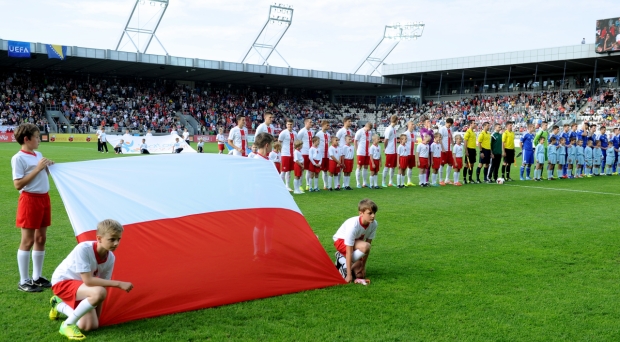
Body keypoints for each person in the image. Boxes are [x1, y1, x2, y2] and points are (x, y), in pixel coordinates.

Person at [49, 219, 133, 341]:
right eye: (112, 239)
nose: (116, 243)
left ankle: (58, 305)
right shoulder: (83, 248)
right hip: (62, 283)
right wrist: (119, 284)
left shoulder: (110, 258)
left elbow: (103, 286)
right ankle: (67, 325)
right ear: (99, 238)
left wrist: (97, 316)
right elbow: (88, 281)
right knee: (98, 292)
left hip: (82, 288)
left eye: (118, 239)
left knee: (90, 326)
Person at [12, 123, 54, 293]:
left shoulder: (38, 154)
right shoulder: (18, 158)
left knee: (41, 239)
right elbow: (18, 184)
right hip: (30, 200)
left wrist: (47, 168)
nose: (39, 140)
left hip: (44, 198)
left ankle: (37, 277)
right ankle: (24, 280)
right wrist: (38, 168)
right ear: (26, 139)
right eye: (36, 137)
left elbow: (43, 175)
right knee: (28, 240)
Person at [333, 199, 378, 283]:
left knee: (360, 275)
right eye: (370, 213)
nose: (373, 216)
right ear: (361, 213)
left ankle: (344, 263)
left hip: (356, 244)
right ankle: (341, 259)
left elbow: (366, 251)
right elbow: (349, 250)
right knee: (365, 246)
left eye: (374, 213)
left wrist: (362, 267)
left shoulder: (373, 224)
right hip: (341, 241)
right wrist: (349, 275)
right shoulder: (353, 225)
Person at [278, 119, 297, 191]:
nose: (289, 126)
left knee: (289, 171)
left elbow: (296, 143)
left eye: (291, 124)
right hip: (285, 154)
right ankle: (280, 186)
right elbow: (279, 142)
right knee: (283, 171)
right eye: (288, 124)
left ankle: (287, 186)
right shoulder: (283, 133)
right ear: (286, 125)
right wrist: (280, 152)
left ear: (293, 125)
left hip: (292, 154)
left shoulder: (295, 133)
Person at [297, 118, 314, 191]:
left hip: (311, 153)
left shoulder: (312, 131)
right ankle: (300, 185)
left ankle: (308, 185)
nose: (311, 123)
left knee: (309, 169)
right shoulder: (301, 131)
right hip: (304, 152)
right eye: (310, 122)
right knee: (302, 169)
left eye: (311, 122)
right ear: (306, 123)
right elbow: (298, 141)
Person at [336, 117, 354, 188]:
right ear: (345, 122)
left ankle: (345, 184)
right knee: (339, 169)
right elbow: (336, 140)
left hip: (347, 153)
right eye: (349, 121)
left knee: (346, 170)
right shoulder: (340, 131)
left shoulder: (350, 131)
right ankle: (337, 184)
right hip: (341, 152)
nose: (350, 122)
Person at [354, 122, 372, 188]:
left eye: (369, 130)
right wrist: (357, 150)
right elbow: (355, 141)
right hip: (361, 152)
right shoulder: (359, 132)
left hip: (367, 152)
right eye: (368, 129)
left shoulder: (370, 133)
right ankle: (358, 183)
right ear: (366, 126)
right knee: (359, 166)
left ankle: (364, 182)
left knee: (366, 167)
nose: (368, 131)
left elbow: (369, 142)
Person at [382, 115, 398, 187]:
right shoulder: (389, 129)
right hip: (390, 151)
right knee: (387, 167)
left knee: (393, 167)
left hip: (394, 151)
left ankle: (390, 182)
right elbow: (386, 140)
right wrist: (385, 148)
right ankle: (383, 182)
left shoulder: (393, 129)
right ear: (396, 120)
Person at [438, 118, 454, 185]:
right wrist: (442, 148)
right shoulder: (442, 129)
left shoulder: (450, 129)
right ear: (446, 122)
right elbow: (440, 139)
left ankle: (447, 179)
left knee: (450, 163)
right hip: (443, 149)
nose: (449, 126)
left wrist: (454, 145)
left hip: (449, 149)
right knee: (442, 164)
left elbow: (451, 138)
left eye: (450, 125)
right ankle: (441, 179)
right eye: (449, 124)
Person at [317, 120, 331, 189]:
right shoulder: (318, 134)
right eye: (327, 125)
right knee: (318, 170)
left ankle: (325, 185)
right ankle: (316, 185)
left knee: (325, 170)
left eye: (328, 125)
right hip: (320, 155)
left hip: (327, 155)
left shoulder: (328, 135)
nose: (328, 126)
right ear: (323, 125)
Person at [403, 121, 417, 186]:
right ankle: (402, 182)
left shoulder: (415, 134)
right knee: (404, 167)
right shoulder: (405, 133)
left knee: (410, 167)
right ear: (408, 125)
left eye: (413, 124)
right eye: (412, 124)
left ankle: (409, 181)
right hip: (406, 153)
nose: (413, 125)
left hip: (412, 153)